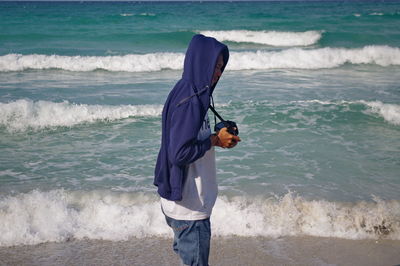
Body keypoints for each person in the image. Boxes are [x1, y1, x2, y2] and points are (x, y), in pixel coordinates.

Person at [154, 34, 241, 266]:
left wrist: (218, 136)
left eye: (221, 67)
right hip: (190, 207)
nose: (218, 73)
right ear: (201, 62)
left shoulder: (189, 90)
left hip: (180, 201)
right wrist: (213, 140)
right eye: (214, 65)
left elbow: (186, 139)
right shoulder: (191, 100)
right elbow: (179, 154)